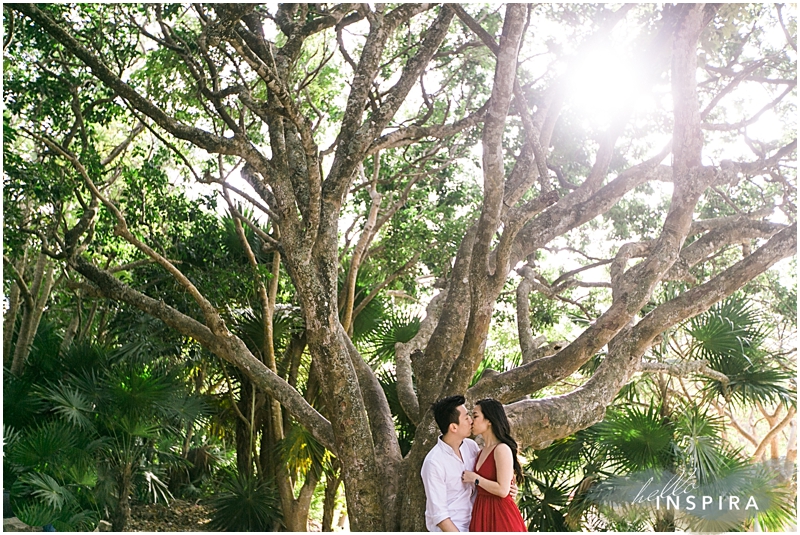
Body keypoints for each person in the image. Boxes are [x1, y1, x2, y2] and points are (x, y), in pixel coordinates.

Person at [461, 398, 527, 532]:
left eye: (475, 416)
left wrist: (475, 478)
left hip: (500, 514)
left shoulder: (501, 449)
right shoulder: (480, 452)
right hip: (482, 512)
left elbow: (503, 491)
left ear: (489, 420)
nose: (472, 421)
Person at [420, 395, 480, 532]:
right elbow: (440, 516)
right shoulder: (434, 462)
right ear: (453, 427)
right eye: (466, 418)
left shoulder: (471, 447)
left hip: (476, 524)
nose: (471, 421)